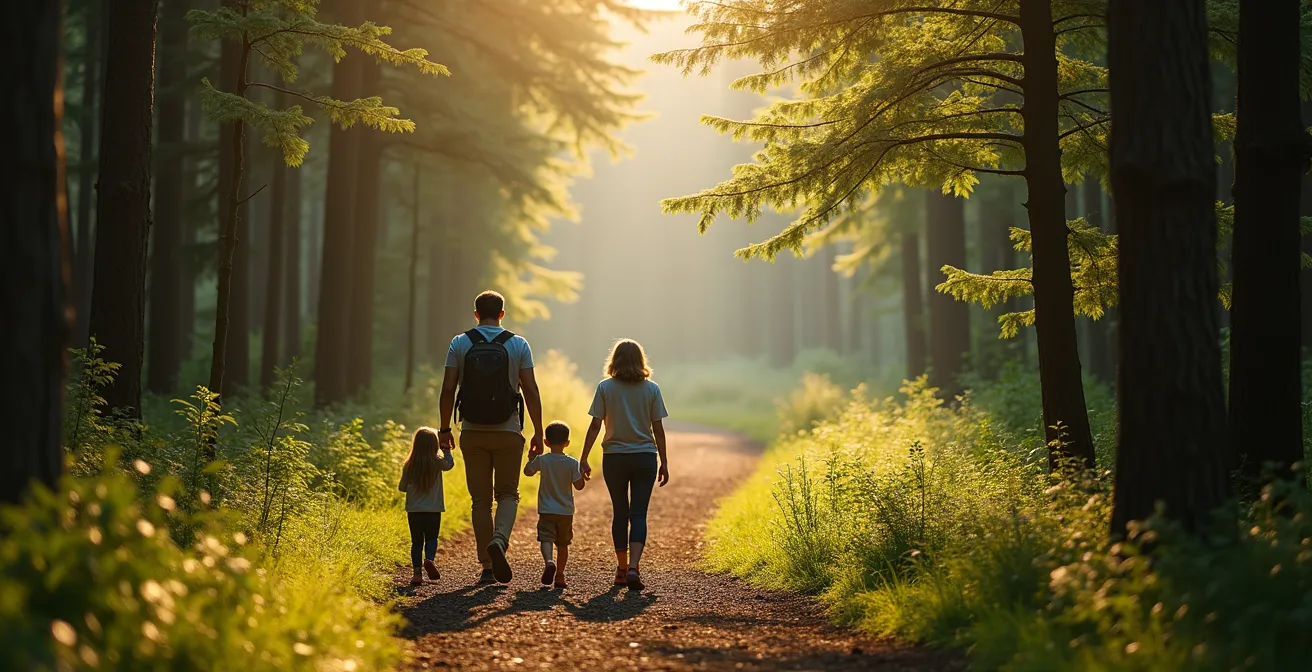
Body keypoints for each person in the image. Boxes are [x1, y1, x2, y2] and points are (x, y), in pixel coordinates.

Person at [439, 290, 544, 585]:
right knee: (508, 494)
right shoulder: (518, 343)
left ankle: (486, 565)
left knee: (480, 500)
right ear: (502, 314)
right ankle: (499, 540)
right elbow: (531, 390)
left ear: (476, 314)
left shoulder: (460, 343)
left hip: (472, 431)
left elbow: (448, 389)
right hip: (508, 430)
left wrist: (444, 429)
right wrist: (537, 430)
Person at [580, 339, 669, 591]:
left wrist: (584, 457)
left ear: (614, 360)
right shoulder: (651, 389)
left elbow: (596, 426)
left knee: (620, 512)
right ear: (641, 360)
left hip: (615, 458)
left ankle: (620, 569)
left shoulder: (605, 388)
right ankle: (633, 567)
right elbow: (658, 430)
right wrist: (664, 461)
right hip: (644, 458)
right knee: (639, 513)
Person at [523, 421, 586, 589]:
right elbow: (579, 486)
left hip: (546, 509)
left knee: (546, 538)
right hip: (565, 511)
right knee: (563, 544)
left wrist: (531, 458)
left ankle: (549, 561)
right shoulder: (572, 463)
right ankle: (560, 575)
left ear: (546, 442)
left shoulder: (543, 460)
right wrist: (582, 475)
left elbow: (528, 472)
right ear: (567, 443)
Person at [398, 427, 456, 586]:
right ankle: (429, 560)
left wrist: (410, 485)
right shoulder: (437, 462)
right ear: (434, 445)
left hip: (414, 510)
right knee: (431, 538)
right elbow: (449, 464)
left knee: (416, 542)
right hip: (433, 510)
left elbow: (402, 487)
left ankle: (417, 574)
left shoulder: (409, 464)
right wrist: (447, 450)